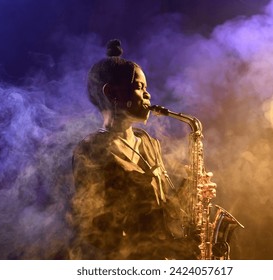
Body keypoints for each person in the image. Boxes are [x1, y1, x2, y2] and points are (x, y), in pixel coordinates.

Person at [69, 39, 216, 260]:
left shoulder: (148, 142)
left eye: (146, 88)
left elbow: (164, 208)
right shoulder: (91, 151)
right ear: (112, 93)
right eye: (139, 87)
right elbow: (96, 233)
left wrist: (192, 191)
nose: (148, 95)